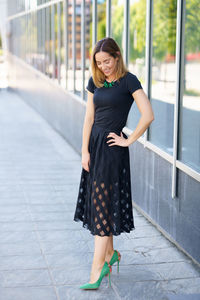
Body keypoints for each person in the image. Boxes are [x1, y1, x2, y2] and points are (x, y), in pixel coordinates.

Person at [73, 37, 154, 290]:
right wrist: (84, 150)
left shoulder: (129, 80)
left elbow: (148, 114)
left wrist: (128, 141)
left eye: (107, 61)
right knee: (101, 204)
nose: (103, 66)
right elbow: (89, 117)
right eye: (99, 63)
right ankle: (110, 256)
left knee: (101, 205)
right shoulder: (95, 81)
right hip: (94, 149)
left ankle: (96, 270)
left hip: (111, 148)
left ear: (117, 56)